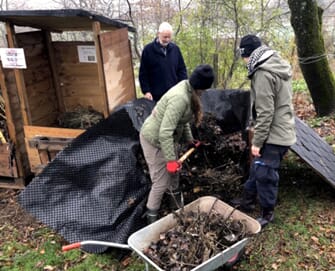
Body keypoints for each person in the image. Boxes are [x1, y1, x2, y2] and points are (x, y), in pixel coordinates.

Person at [231, 34, 296, 227]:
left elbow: (266, 112)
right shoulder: (275, 64)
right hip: (282, 127)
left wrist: (257, 142)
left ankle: (268, 213)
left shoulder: (262, 73)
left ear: (247, 54)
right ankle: (247, 201)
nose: (243, 61)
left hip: (275, 134)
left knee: (265, 173)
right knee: (257, 168)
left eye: (242, 56)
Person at [140, 64, 215, 224]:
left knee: (174, 177)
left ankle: (177, 212)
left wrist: (189, 139)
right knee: (160, 183)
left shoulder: (189, 90)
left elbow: (183, 120)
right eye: (205, 89)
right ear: (200, 86)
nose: (204, 93)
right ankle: (150, 222)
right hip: (153, 140)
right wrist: (170, 161)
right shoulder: (180, 98)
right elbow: (164, 132)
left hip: (167, 139)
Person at [139, 22, 188, 102]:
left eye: (169, 37)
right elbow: (143, 74)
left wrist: (183, 87)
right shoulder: (148, 50)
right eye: (165, 37)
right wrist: (146, 91)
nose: (167, 40)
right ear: (158, 34)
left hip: (174, 94)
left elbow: (182, 70)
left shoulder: (175, 49)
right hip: (155, 96)